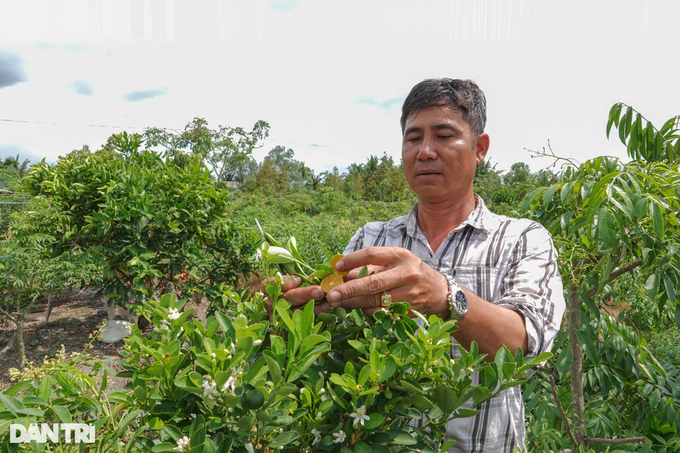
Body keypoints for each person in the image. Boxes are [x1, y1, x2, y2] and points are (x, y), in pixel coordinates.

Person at [279, 78, 566, 452]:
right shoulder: (371, 239)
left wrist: (446, 296)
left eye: (444, 136)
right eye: (413, 138)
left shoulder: (522, 239)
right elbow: (335, 341)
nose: (425, 151)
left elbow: (522, 348)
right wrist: (299, 312)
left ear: (480, 148)